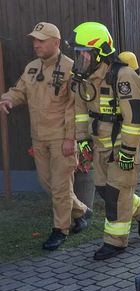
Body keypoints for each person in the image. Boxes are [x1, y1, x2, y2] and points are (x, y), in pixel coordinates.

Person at [0, 22, 91, 251]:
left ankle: (61, 230)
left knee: (60, 187)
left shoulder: (71, 68)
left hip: (61, 138)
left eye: (41, 40)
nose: (36, 44)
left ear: (56, 43)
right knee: (47, 183)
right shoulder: (31, 68)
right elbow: (19, 90)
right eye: (34, 40)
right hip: (38, 137)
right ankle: (81, 211)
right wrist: (9, 98)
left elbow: (74, 107)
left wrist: (71, 138)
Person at [69, 22, 140, 260]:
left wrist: (128, 150)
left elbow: (135, 118)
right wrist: (82, 141)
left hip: (122, 145)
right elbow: (80, 113)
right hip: (99, 144)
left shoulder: (123, 75)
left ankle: (116, 242)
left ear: (100, 52)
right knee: (104, 190)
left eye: (84, 53)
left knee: (117, 194)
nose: (80, 59)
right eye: (78, 54)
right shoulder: (84, 79)